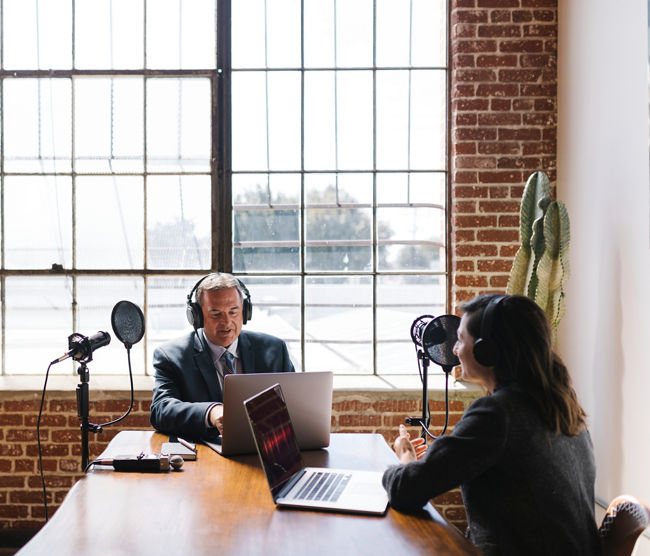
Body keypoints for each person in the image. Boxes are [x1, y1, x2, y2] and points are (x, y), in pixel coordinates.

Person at [382, 294, 601, 556]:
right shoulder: (563, 405)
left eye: (461, 340)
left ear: (487, 351)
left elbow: (405, 489)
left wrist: (405, 456)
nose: (454, 350)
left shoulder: (498, 414)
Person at [150, 273, 295, 442]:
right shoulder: (171, 357)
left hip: (266, 450)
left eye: (233, 312)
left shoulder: (275, 350)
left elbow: (294, 405)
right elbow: (161, 410)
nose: (226, 322)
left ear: (245, 312)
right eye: (216, 314)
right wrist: (211, 412)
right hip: (203, 457)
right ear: (197, 316)